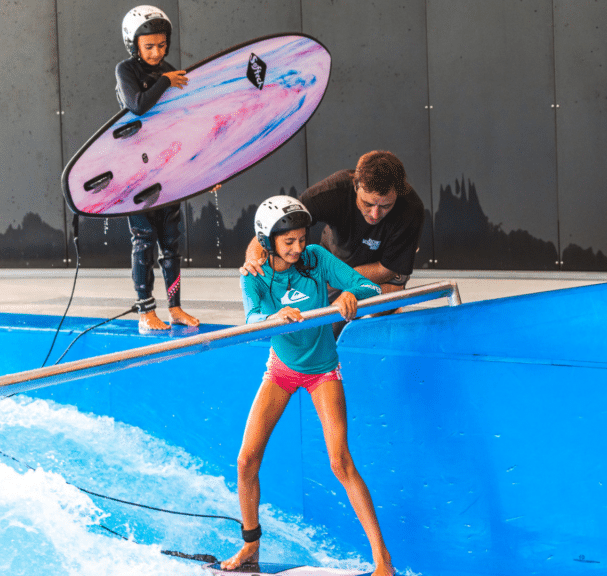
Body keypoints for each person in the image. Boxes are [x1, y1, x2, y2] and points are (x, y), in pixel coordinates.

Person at [224, 196, 393, 575]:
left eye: (301, 239)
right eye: (289, 243)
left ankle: (383, 563)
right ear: (267, 242)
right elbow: (252, 317)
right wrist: (273, 316)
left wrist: (352, 294)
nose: (299, 248)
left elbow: (369, 288)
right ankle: (250, 546)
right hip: (280, 370)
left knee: (340, 462)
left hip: (322, 370)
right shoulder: (254, 274)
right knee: (246, 460)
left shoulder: (317, 258)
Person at [241, 150, 425, 336]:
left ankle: (385, 314)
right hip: (336, 259)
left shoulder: (410, 209)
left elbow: (386, 269)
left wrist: (345, 286)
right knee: (321, 328)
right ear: (356, 186)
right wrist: (254, 261)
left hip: (383, 272)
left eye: (385, 206)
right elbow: (275, 225)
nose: (375, 214)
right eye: (368, 204)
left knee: (381, 304)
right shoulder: (331, 192)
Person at [116, 6, 199, 332]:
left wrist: (203, 167)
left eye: (162, 45)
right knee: (144, 238)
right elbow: (136, 106)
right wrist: (165, 80)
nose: (156, 52)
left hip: (166, 167)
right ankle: (145, 310)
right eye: (148, 46)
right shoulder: (127, 70)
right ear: (133, 44)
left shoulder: (170, 71)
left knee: (171, 241)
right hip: (134, 168)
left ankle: (175, 307)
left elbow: (184, 124)